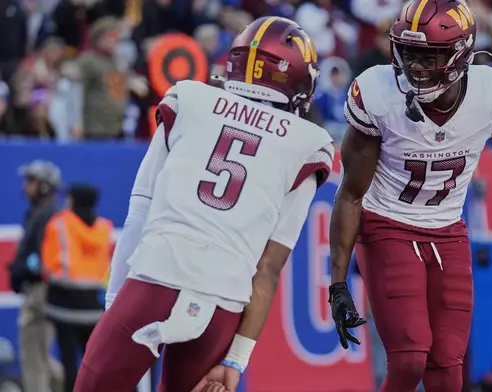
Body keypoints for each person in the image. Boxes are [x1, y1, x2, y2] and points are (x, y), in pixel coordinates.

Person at [327, 1, 492, 391]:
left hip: (448, 231)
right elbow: (350, 195)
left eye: (427, 55)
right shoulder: (379, 94)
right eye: (409, 52)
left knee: (448, 369)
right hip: (387, 226)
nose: (414, 66)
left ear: (460, 54)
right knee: (410, 357)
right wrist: (337, 284)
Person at [74, 16, 334, 392]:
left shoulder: (190, 98)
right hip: (223, 301)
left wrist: (116, 302)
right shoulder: (309, 143)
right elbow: (268, 269)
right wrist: (236, 359)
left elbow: (140, 210)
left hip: (156, 277)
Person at [41, 184, 113, 392]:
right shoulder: (104, 228)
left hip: (64, 308)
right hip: (92, 308)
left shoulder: (60, 224)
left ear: (73, 200)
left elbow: (47, 267)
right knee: (92, 364)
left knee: (69, 364)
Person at [9, 160, 64, 392]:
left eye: (31, 181)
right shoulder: (39, 214)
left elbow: (44, 260)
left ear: (44, 186)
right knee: (39, 356)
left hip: (40, 292)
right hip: (37, 291)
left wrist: (28, 271)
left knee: (33, 359)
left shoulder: (48, 216)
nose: (26, 186)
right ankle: (73, 383)